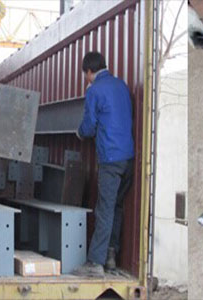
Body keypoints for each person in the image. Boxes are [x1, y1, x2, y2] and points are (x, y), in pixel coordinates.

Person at [72, 52, 135, 277]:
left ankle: (94, 263)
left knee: (104, 210)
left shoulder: (94, 90)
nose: (86, 79)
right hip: (128, 158)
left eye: (85, 75)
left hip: (110, 159)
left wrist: (78, 132)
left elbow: (89, 127)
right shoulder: (121, 85)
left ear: (89, 72)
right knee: (116, 206)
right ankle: (110, 256)